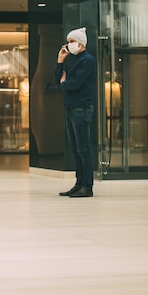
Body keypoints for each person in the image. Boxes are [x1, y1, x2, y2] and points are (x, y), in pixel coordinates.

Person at [55, 27, 97, 198]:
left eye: (71, 42)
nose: (68, 45)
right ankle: (79, 183)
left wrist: (65, 83)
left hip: (81, 108)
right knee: (75, 148)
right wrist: (60, 61)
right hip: (71, 107)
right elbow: (59, 80)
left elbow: (74, 84)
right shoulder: (72, 60)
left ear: (80, 43)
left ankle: (87, 186)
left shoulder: (88, 60)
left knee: (83, 148)